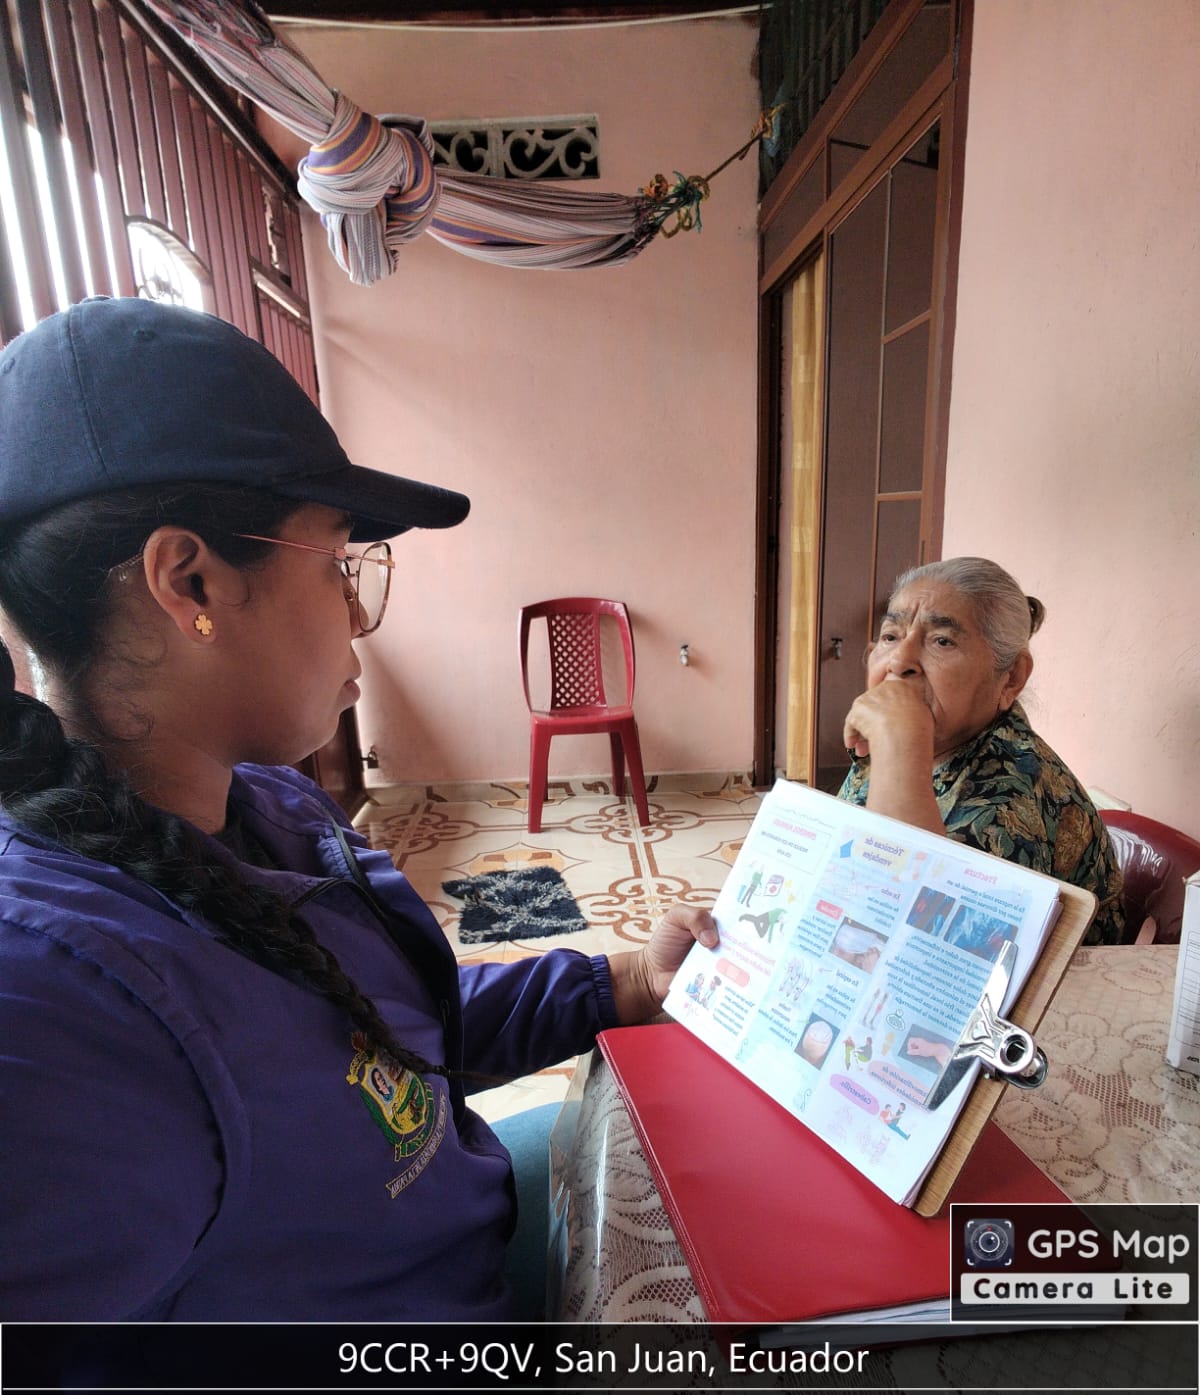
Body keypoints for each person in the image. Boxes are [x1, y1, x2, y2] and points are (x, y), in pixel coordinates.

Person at [0, 296, 717, 1328]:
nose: (357, 613)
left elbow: (389, 1040)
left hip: (464, 1239)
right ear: (189, 582)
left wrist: (628, 978)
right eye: (340, 563)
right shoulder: (55, 1010)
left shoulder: (269, 807)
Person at [840, 556, 1123, 944]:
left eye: (942, 641)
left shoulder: (1011, 799)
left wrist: (898, 744)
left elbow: (903, 943)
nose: (900, 661)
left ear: (1011, 678)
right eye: (891, 636)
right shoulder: (906, 733)